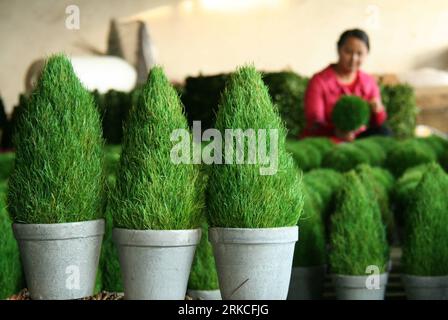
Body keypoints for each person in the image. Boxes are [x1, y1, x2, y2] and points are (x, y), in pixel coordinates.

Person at [301, 28, 388, 142]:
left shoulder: (368, 82)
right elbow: (315, 120)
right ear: (338, 50)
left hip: (359, 139)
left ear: (366, 54)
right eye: (348, 52)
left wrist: (378, 111)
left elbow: (377, 123)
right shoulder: (319, 81)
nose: (353, 58)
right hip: (326, 137)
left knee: (384, 132)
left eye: (359, 53)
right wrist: (336, 132)